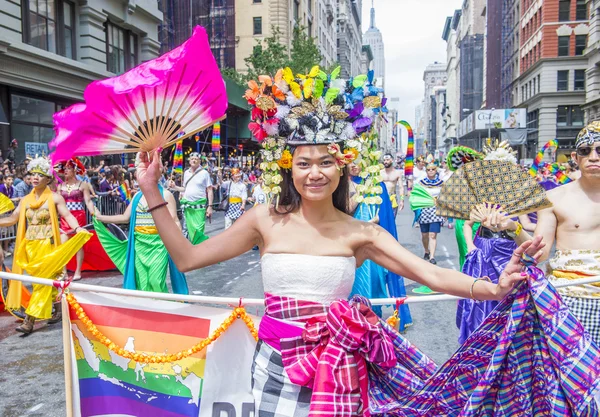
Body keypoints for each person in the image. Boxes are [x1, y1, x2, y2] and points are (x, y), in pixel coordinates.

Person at [486, 122, 600, 342]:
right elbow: (540, 252)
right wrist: (513, 227)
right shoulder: (555, 198)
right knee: (571, 374)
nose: (594, 157)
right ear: (575, 157)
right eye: (586, 151)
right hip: (571, 298)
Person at [1, 157, 90, 334]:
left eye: (40, 174)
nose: (35, 177)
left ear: (48, 178)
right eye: (33, 173)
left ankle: (30, 319)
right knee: (41, 283)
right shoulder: (25, 200)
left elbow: (67, 215)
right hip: (30, 247)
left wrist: (78, 228)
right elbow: (13, 219)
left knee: (41, 284)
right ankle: (57, 308)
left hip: (48, 245)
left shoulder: (55, 198)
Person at [94, 168, 188, 294]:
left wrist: (179, 243)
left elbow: (174, 220)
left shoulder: (166, 195)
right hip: (139, 244)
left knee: (156, 281)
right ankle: (149, 311)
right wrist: (100, 217)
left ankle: (162, 310)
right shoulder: (137, 196)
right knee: (143, 283)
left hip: (159, 245)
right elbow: (125, 217)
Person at [56, 158, 96, 281]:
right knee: (62, 245)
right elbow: (57, 204)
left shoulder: (82, 184)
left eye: (69, 168)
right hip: (64, 218)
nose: (66, 171)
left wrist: (94, 213)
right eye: (65, 168)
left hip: (79, 216)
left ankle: (78, 271)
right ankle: (63, 272)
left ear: (74, 170)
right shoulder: (60, 186)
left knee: (79, 245)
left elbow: (88, 201)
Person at [169, 152, 213, 244]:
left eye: (196, 159)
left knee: (198, 230)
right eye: (192, 159)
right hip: (187, 206)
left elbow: (209, 190)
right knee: (186, 229)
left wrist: (210, 206)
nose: (194, 160)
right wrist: (175, 187)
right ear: (189, 161)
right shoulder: (186, 173)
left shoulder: (204, 173)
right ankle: (186, 251)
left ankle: (199, 249)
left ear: (199, 161)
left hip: (199, 207)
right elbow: (184, 189)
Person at [415, 160, 445, 265]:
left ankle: (432, 256)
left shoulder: (441, 183)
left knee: (433, 234)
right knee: (425, 235)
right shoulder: (421, 183)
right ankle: (426, 251)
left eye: (433, 169)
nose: (431, 171)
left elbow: (445, 198)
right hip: (424, 210)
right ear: (426, 171)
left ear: (436, 170)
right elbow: (416, 196)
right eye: (429, 170)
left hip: (436, 211)